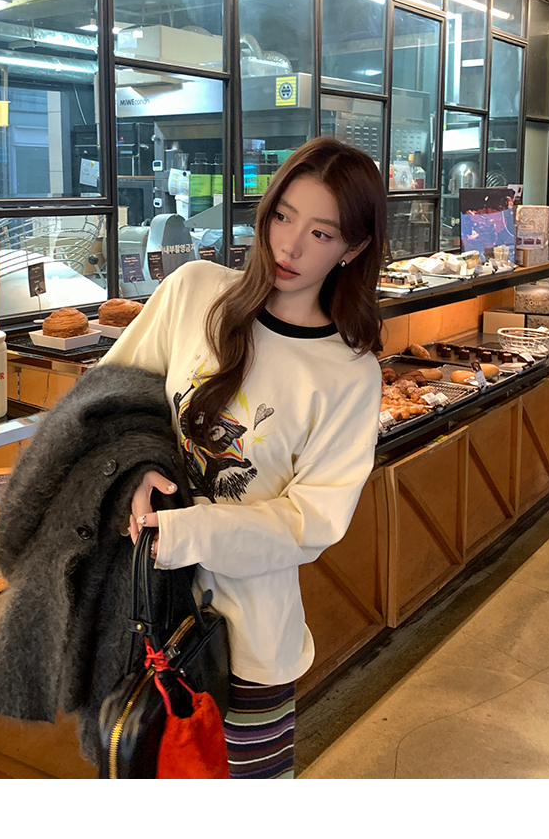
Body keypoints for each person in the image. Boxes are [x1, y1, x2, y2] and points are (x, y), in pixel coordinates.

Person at [101, 136, 387, 779]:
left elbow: (311, 521)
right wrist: (135, 467)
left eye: (321, 233)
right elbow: (109, 398)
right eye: (283, 216)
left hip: (246, 643)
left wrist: (187, 531)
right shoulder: (193, 291)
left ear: (353, 248)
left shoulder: (347, 372)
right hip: (136, 616)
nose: (290, 246)